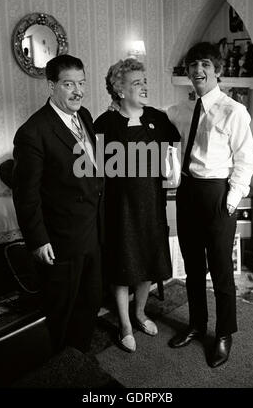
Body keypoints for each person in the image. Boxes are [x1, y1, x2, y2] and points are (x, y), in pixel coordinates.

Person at [167, 42, 253, 368]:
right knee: (193, 268)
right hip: (187, 192)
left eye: (205, 64)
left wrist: (231, 203)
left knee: (221, 272)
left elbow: (245, 161)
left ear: (217, 70)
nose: (197, 70)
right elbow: (149, 123)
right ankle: (196, 324)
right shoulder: (179, 110)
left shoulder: (234, 111)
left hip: (218, 195)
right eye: (193, 65)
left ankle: (223, 333)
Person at [12, 54, 104, 353]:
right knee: (62, 309)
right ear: (51, 86)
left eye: (81, 83)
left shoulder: (85, 116)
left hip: (92, 230)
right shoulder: (33, 132)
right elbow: (26, 194)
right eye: (68, 84)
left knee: (90, 302)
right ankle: (60, 368)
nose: (78, 91)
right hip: (61, 238)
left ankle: (80, 360)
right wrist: (38, 241)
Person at [94, 58, 180, 353]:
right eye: (136, 83)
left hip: (151, 205)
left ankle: (140, 313)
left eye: (144, 81)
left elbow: (172, 154)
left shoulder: (157, 117)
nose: (144, 87)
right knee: (122, 266)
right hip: (120, 209)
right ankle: (125, 326)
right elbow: (94, 170)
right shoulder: (104, 123)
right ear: (119, 90)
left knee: (146, 262)